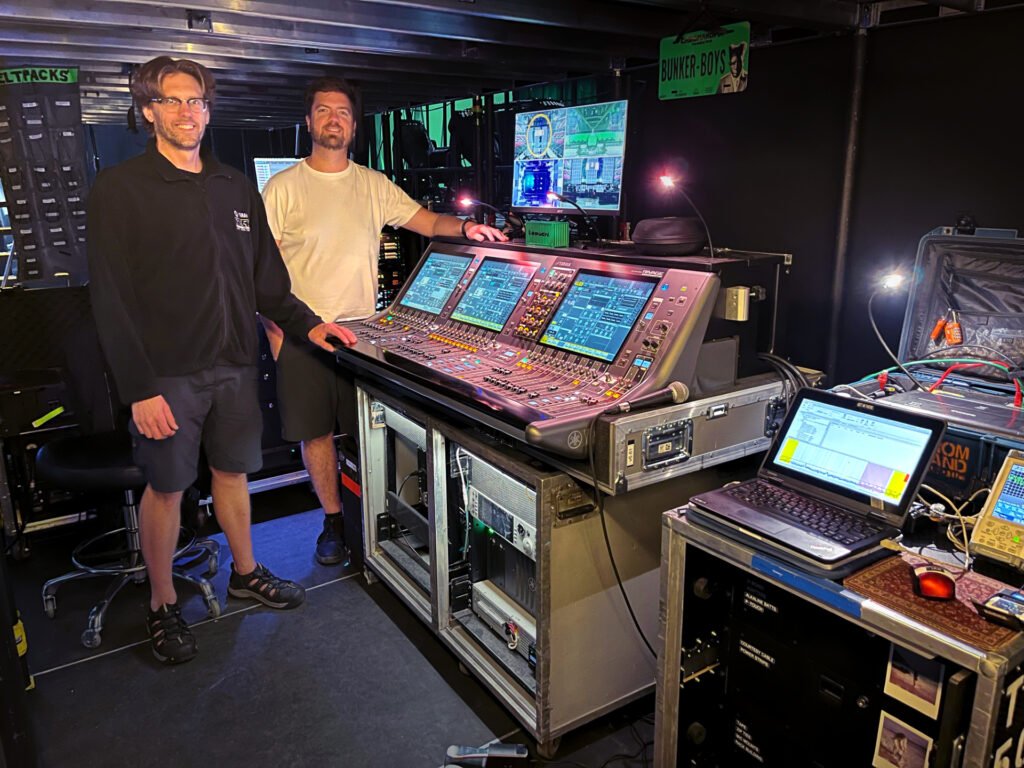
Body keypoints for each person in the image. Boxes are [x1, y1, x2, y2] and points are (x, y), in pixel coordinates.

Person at [87, 56, 357, 664]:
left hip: (235, 363)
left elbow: (267, 281)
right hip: (166, 376)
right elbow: (110, 300)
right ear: (149, 110)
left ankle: (245, 571)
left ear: (209, 109)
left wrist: (312, 327)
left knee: (234, 473)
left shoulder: (234, 187)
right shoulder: (120, 190)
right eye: (174, 102)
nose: (189, 113)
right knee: (167, 488)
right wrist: (138, 388)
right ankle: (161, 604)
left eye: (198, 102)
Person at [260, 76, 505, 565]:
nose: (334, 119)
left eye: (344, 113)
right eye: (325, 111)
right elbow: (260, 273)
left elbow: (427, 221)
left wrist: (466, 227)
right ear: (309, 121)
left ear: (354, 125)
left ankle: (374, 516)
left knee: (374, 429)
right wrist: (277, 340)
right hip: (302, 333)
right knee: (316, 434)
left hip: (363, 333)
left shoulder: (371, 184)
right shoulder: (283, 187)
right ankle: (333, 522)